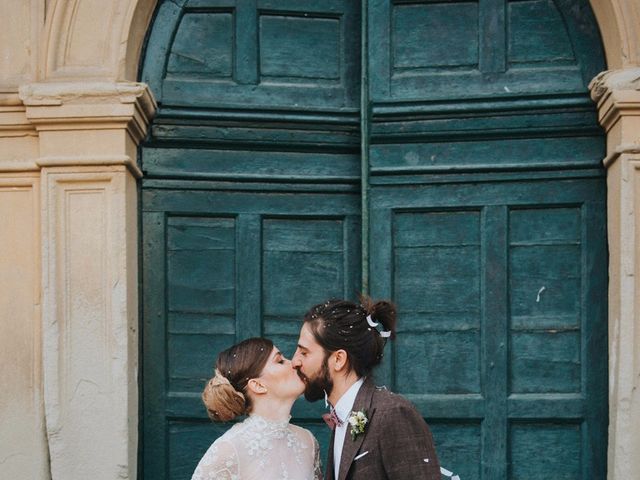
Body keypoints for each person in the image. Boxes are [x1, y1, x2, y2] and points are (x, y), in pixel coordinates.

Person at [292, 297, 441, 480]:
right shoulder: (341, 417)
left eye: (304, 352)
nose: (294, 361)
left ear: (338, 359)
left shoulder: (392, 413)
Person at [191, 337, 323, 480]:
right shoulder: (229, 449)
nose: (294, 363)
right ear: (258, 385)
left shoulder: (308, 441)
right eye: (280, 361)